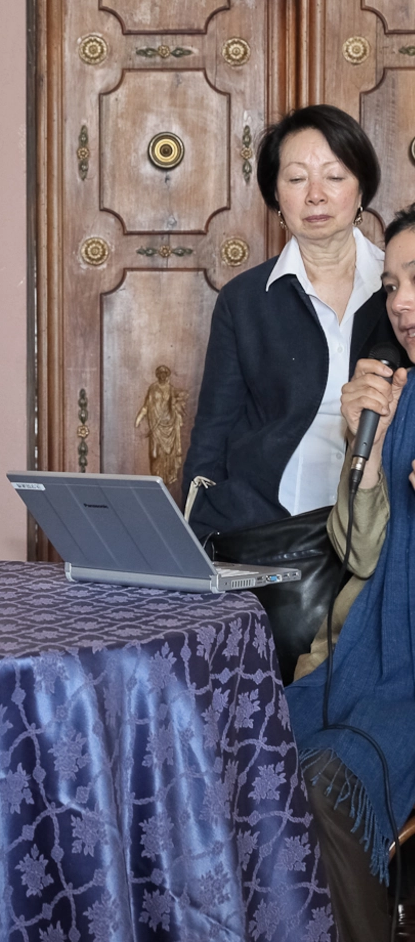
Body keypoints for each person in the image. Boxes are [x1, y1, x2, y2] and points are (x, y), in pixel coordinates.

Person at [286, 203, 415, 942]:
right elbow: (361, 556)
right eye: (392, 284)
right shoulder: (400, 398)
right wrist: (363, 462)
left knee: (331, 782)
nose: (400, 302)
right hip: (375, 660)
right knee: (253, 749)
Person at [183, 104, 395, 539]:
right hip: (265, 532)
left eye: (334, 177)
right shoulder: (244, 300)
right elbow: (212, 436)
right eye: (297, 179)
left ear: (361, 189)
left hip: (378, 526)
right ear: (276, 196)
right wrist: (199, 532)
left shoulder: (400, 290)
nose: (315, 195)